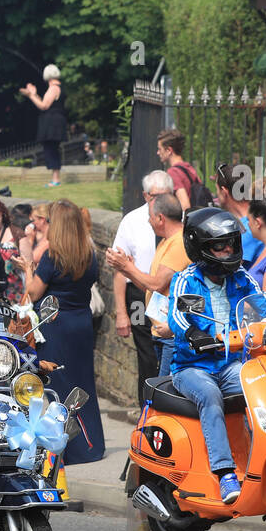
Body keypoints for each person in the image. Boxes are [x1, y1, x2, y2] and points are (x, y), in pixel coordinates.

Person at [167, 207, 266, 504]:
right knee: (209, 395)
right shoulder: (186, 279)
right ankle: (225, 473)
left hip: (231, 363)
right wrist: (194, 335)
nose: (228, 250)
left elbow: (265, 306)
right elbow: (176, 318)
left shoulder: (241, 277)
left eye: (231, 243)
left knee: (261, 389)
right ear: (201, 247)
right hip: (192, 367)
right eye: (220, 245)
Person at [15, 200, 105, 464]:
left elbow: (33, 293)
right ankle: (90, 445)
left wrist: (29, 269)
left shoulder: (53, 257)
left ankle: (64, 448)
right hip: (81, 323)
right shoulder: (89, 255)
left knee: (56, 384)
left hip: (56, 324)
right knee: (82, 382)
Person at [106, 193, 188, 377]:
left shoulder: (179, 243)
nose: (149, 222)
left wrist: (127, 266)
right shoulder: (166, 242)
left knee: (165, 394)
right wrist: (126, 269)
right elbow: (150, 286)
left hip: (172, 334)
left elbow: (157, 284)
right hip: (160, 333)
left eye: (150, 217)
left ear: (160, 218)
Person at [109, 170, 173, 404]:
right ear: (146, 196)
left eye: (168, 194)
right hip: (139, 295)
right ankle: (147, 407)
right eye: (157, 196)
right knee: (146, 354)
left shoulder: (179, 219)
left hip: (168, 295)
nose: (164, 200)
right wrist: (121, 313)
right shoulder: (132, 221)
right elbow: (119, 268)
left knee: (169, 352)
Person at [22, 64, 67, 187]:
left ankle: (56, 180)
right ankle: (55, 179)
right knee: (51, 148)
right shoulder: (58, 88)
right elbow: (44, 102)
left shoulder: (53, 88)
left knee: (51, 149)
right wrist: (35, 94)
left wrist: (30, 95)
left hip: (52, 123)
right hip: (55, 122)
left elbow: (43, 106)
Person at [157, 129, 202, 212]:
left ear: (169, 150)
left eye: (160, 149)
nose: (158, 153)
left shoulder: (173, 172)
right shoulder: (188, 168)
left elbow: (185, 205)